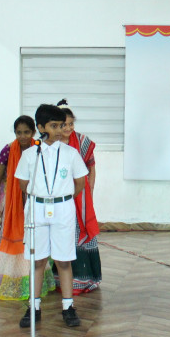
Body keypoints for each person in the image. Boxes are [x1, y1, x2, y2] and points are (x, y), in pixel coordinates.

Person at [14, 104, 88, 328]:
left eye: (62, 126)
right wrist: (43, 198)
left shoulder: (71, 153)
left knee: (63, 260)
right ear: (40, 127)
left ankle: (68, 306)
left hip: (63, 209)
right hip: (37, 209)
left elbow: (80, 183)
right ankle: (33, 307)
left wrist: (60, 199)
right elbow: (23, 184)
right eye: (54, 126)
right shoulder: (29, 155)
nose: (59, 130)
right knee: (37, 260)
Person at [0, 116, 55, 299]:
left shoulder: (38, 149)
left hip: (33, 203)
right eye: (18, 132)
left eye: (26, 132)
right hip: (10, 206)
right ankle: (11, 283)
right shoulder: (7, 151)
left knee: (32, 242)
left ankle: (32, 285)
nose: (22, 136)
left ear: (34, 132)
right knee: (11, 245)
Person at [56, 99, 102, 294]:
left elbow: (91, 165)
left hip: (80, 197)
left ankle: (84, 279)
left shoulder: (82, 142)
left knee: (80, 232)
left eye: (71, 124)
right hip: (60, 196)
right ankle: (61, 280)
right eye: (64, 124)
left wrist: (88, 189)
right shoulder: (51, 143)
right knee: (63, 235)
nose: (68, 128)